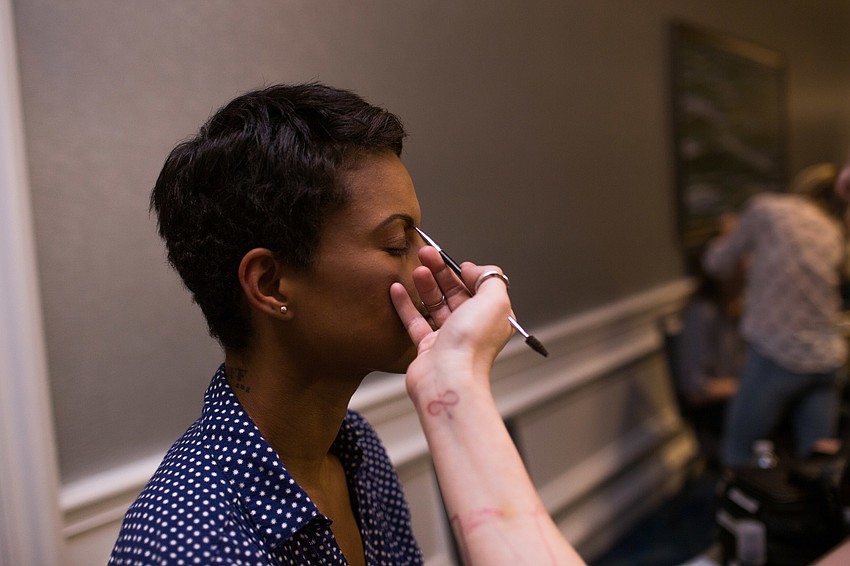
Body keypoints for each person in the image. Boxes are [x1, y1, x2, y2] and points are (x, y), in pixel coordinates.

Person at [109, 83, 584, 565]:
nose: (427, 263)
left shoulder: (357, 452)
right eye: (398, 242)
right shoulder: (187, 543)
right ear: (271, 285)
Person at [703, 163, 849, 468]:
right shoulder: (833, 232)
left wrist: (730, 233)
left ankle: (741, 514)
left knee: (739, 452)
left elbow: (717, 264)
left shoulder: (766, 210)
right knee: (819, 458)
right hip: (828, 359)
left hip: (776, 355)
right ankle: (817, 514)